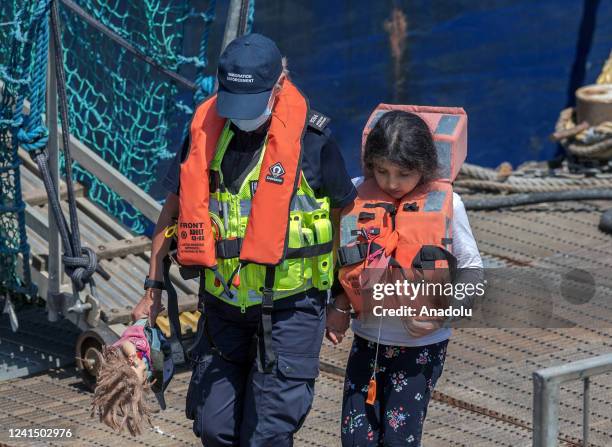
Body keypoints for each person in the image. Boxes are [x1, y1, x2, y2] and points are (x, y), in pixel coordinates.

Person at [131, 33, 356, 446]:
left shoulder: (314, 143)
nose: (240, 114)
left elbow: (346, 220)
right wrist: (153, 287)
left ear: (280, 85)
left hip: (292, 307)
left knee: (266, 434)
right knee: (214, 427)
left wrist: (342, 300)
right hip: (223, 306)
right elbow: (172, 213)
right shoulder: (204, 133)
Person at [326, 108, 484, 445]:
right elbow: (346, 256)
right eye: (382, 171)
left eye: (403, 173)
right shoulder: (356, 194)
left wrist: (441, 316)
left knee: (400, 439)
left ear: (425, 168)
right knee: (356, 438)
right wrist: (339, 306)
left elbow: (473, 272)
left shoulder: (449, 204)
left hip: (420, 348)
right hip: (368, 341)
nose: (392, 183)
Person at [90, 318, 174, 436]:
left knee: (157, 357)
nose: (143, 368)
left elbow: (125, 343)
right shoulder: (139, 374)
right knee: (158, 359)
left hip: (143, 332)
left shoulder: (127, 356)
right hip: (152, 346)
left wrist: (132, 354)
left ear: (130, 363)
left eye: (141, 370)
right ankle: (159, 383)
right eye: (144, 375)